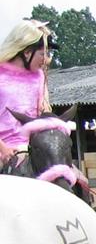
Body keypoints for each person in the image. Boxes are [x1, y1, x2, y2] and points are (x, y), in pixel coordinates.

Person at [0, 19, 56, 169]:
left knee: (75, 179)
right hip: (3, 150)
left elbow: (43, 113)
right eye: (42, 54)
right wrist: (3, 149)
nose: (46, 60)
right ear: (27, 52)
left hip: (32, 148)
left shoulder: (39, 76)